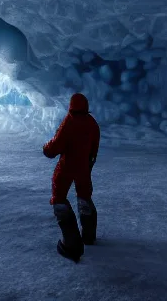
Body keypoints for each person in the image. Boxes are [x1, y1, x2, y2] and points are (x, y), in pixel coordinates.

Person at [43, 93, 100, 262]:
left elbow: (55, 147)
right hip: (84, 167)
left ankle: (72, 245)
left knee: (59, 197)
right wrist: (88, 165)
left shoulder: (69, 121)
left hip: (66, 166)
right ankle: (89, 236)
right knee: (84, 196)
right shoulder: (92, 123)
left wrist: (46, 149)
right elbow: (94, 150)